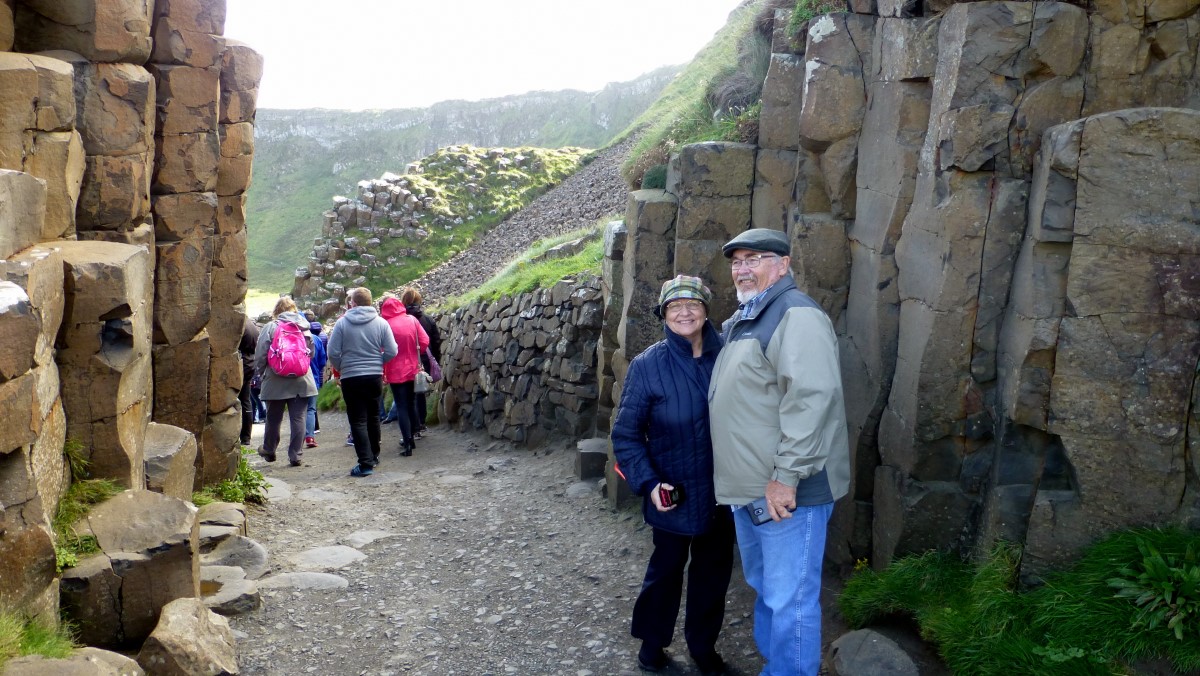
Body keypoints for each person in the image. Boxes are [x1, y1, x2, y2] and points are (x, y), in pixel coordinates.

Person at [708, 228, 850, 676]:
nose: (742, 269)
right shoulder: (748, 317)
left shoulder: (795, 314)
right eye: (736, 261)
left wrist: (787, 476)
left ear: (784, 264)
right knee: (769, 588)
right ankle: (778, 667)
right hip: (752, 489)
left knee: (791, 597)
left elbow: (812, 398)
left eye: (755, 259)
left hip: (786, 490)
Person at [611, 276, 734, 675]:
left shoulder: (730, 356)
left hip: (724, 490)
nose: (684, 312)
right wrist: (648, 484)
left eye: (692, 304)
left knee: (712, 575)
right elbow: (626, 435)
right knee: (665, 571)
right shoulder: (648, 365)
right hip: (671, 491)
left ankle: (703, 649)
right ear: (663, 315)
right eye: (674, 307)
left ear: (706, 309)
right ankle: (651, 646)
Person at [327, 287, 397, 477]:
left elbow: (332, 352)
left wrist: (343, 367)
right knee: (374, 417)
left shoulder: (342, 324)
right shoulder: (381, 323)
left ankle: (365, 463)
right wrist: (377, 363)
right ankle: (374, 456)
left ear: (353, 303)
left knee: (357, 420)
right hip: (374, 376)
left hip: (351, 377)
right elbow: (392, 350)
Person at [253, 297, 319, 467]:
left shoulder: (270, 327)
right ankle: (295, 455)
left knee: (273, 418)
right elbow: (311, 353)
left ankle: (269, 450)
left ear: (277, 311)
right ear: (293, 309)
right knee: (298, 418)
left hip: (275, 380)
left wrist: (262, 373)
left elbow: (260, 355)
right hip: (302, 379)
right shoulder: (304, 327)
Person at [380, 295, 429, 456]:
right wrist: (416, 355)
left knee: (401, 405)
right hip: (413, 368)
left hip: (394, 370)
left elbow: (382, 349)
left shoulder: (385, 324)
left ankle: (408, 441)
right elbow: (424, 340)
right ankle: (415, 433)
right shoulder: (412, 320)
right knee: (411, 401)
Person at [402, 286, 442, 435]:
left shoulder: (400, 320)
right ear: (419, 301)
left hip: (404, 362)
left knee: (406, 395)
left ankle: (411, 428)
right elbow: (436, 342)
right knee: (419, 393)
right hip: (423, 361)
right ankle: (421, 423)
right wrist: (435, 362)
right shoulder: (428, 320)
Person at [304, 321, 328, 448]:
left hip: (293, 379)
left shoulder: (291, 336)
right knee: (310, 409)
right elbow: (323, 361)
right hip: (312, 377)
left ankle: (297, 440)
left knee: (296, 411)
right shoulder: (316, 340)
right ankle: (309, 436)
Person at [238, 315, 260, 446]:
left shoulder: (240, 323)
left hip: (241, 364)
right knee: (246, 401)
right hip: (250, 362)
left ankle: (242, 435)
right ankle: (246, 437)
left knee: (238, 400)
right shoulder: (251, 324)